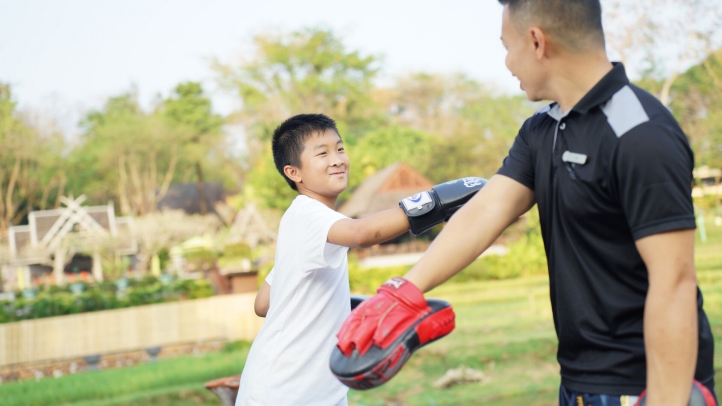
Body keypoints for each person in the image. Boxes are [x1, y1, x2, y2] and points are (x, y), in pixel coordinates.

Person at [335, 1, 717, 405]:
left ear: (536, 41)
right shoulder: (542, 129)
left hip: (642, 384)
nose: (506, 62)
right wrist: (404, 291)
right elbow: (486, 210)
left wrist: (667, 397)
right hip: (578, 377)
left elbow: (674, 281)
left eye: (506, 46)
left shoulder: (640, 133)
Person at [236, 114, 481, 406]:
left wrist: (342, 305)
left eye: (340, 148)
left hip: (311, 391)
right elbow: (364, 232)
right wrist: (436, 202)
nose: (337, 159)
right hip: (285, 393)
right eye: (322, 153)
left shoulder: (304, 228)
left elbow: (263, 303)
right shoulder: (307, 213)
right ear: (294, 172)